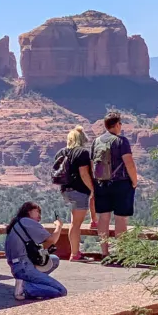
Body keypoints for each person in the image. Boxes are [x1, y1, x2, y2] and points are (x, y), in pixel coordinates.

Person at [91, 111, 139, 257]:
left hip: (101, 184)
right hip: (121, 184)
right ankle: (122, 253)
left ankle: (104, 253)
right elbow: (129, 162)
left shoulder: (96, 141)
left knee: (103, 218)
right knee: (120, 218)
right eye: (120, 124)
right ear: (117, 124)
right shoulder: (121, 141)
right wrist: (134, 181)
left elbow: (92, 163)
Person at [5, 201, 67, 300]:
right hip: (24, 267)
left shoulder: (18, 222)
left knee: (54, 260)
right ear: (29, 211)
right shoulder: (27, 222)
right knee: (61, 291)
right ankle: (25, 288)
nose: (39, 215)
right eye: (37, 212)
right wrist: (59, 226)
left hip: (19, 265)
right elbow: (51, 241)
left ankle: (29, 282)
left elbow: (44, 244)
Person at [55, 126, 95, 261]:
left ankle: (75, 253)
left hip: (65, 190)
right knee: (76, 224)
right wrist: (93, 188)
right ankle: (75, 254)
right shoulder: (82, 153)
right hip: (79, 191)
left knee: (74, 222)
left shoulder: (61, 152)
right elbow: (84, 174)